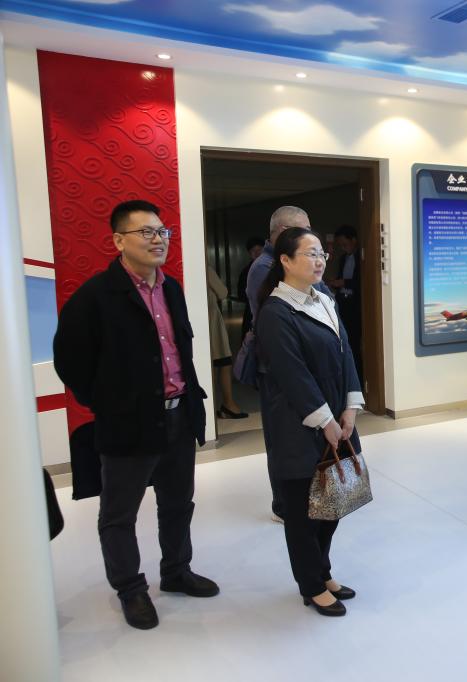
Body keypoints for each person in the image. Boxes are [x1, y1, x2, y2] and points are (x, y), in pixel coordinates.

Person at [53, 199, 218, 630]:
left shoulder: (171, 289)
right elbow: (70, 361)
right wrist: (108, 403)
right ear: (118, 240)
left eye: (162, 232)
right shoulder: (95, 297)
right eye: (146, 232)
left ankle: (177, 571)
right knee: (119, 514)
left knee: (178, 503)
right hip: (128, 423)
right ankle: (130, 588)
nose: (158, 239)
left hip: (179, 415)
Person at [255, 227, 363, 616]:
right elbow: (292, 375)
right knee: (304, 513)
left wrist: (350, 408)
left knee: (333, 503)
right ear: (285, 260)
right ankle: (311, 584)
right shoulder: (276, 311)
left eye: (322, 254)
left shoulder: (325, 299)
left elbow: (346, 353)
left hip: (337, 418)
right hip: (298, 426)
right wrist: (326, 422)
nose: (319, 261)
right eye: (310, 254)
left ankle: (323, 570)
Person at [247, 206, 329, 522]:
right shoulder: (263, 268)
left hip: (306, 363)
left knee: (306, 438)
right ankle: (284, 505)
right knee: (283, 440)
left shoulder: (303, 268)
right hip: (278, 368)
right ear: (283, 233)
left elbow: (322, 300)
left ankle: (308, 498)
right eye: (302, 230)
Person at [207, 264, 247, 419]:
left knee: (215, 361)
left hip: (205, 319)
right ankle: (228, 404)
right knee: (223, 361)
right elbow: (223, 292)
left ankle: (217, 406)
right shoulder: (204, 267)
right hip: (211, 320)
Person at [324, 225, 363, 384]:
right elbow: (342, 279)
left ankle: (359, 378)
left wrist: (344, 282)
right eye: (340, 245)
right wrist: (335, 283)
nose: (343, 248)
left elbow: (362, 281)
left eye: (345, 244)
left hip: (356, 305)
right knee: (343, 340)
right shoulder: (343, 259)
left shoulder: (362, 256)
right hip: (343, 302)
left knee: (355, 342)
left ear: (354, 240)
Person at [237, 237, 264, 339]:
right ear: (249, 253)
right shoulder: (245, 272)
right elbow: (241, 294)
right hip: (251, 312)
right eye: (253, 251)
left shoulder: (273, 268)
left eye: (259, 250)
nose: (256, 253)